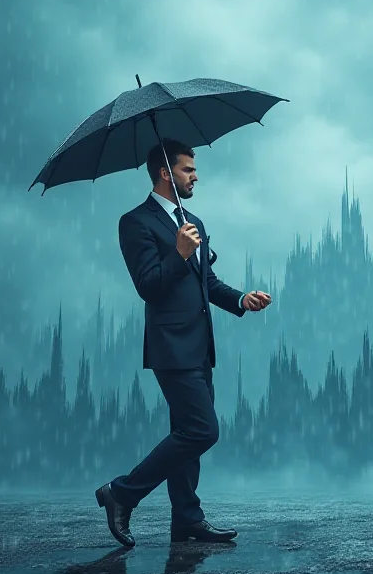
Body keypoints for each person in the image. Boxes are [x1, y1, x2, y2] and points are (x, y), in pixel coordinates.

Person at [95, 138, 272, 547]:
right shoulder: (134, 222)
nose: (196, 176)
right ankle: (120, 493)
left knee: (186, 434)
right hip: (170, 346)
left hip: (200, 345)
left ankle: (187, 520)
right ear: (165, 172)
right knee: (201, 430)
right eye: (188, 169)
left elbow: (205, 282)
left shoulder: (194, 222)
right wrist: (178, 253)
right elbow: (148, 286)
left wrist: (241, 299)